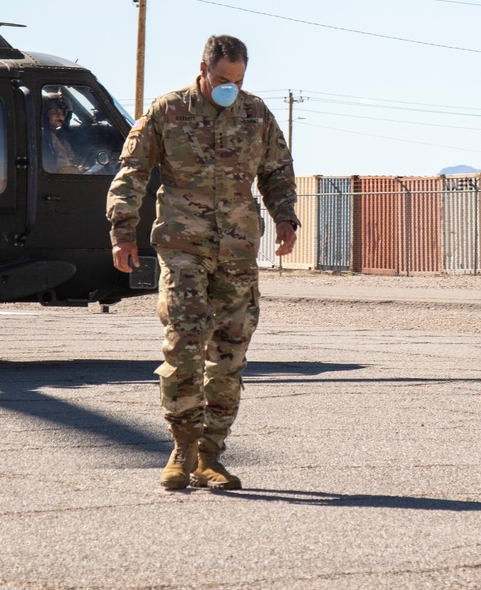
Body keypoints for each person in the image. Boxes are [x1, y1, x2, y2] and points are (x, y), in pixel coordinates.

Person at [106, 34, 299, 491]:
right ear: (203, 69)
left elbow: (277, 170)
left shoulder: (256, 114)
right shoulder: (168, 110)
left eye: (238, 79)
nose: (230, 87)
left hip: (237, 252)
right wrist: (121, 232)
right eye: (222, 78)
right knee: (185, 344)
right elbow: (132, 171)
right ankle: (182, 450)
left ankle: (211, 456)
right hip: (184, 246)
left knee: (229, 354)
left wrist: (286, 218)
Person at [42, 93, 82, 174]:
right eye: (54, 111)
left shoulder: (62, 140)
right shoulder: (43, 137)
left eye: (63, 112)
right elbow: (61, 169)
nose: (59, 115)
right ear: (44, 114)